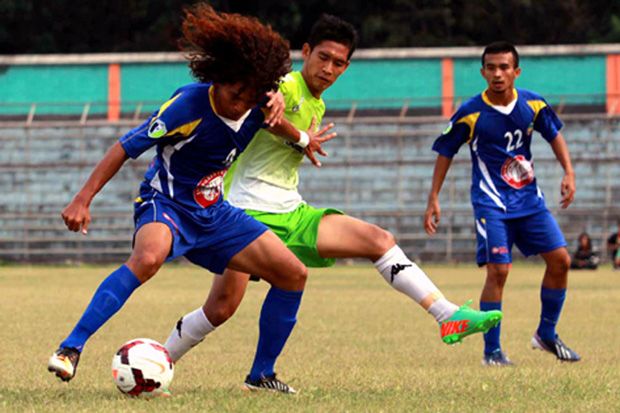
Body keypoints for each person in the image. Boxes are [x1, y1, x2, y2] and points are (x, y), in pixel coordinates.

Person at [163, 14, 502, 394]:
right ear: (305, 52)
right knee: (222, 307)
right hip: (244, 212)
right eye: (323, 57)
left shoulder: (317, 103)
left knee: (378, 240)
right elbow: (266, 108)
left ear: (346, 67)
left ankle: (447, 315)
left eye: (338, 63)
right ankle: (166, 360)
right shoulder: (287, 85)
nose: (328, 69)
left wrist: (302, 138)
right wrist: (301, 135)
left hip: (291, 211)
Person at [47, 4, 315, 383]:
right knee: (149, 257)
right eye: (236, 91)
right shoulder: (187, 106)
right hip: (167, 203)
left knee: (293, 274)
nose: (241, 102)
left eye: (251, 94)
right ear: (218, 76)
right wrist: (82, 199)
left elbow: (275, 121)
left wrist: (302, 137)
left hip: (216, 212)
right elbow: (126, 146)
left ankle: (261, 374)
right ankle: (70, 347)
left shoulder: (258, 101)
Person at [424, 41, 581, 366]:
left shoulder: (533, 104)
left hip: (530, 201)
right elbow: (446, 152)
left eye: (504, 67)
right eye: (491, 68)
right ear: (483, 72)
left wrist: (568, 171)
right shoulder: (471, 112)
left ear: (516, 71)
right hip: (491, 204)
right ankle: (492, 352)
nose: (497, 74)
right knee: (499, 271)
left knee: (561, 261)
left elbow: (554, 134)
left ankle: (546, 334)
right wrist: (434, 198)